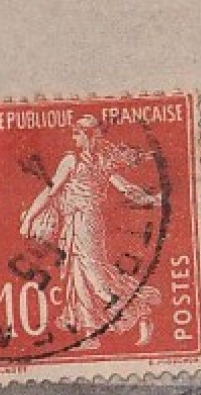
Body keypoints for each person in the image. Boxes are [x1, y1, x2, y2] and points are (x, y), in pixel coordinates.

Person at [19, 114, 163, 347]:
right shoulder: (97, 161)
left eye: (77, 134)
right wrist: (151, 199)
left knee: (95, 276)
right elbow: (126, 189)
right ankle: (91, 332)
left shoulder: (77, 161)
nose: (74, 139)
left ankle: (139, 311)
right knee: (79, 274)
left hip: (85, 222)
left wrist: (29, 220)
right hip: (76, 222)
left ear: (87, 136)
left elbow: (51, 191)